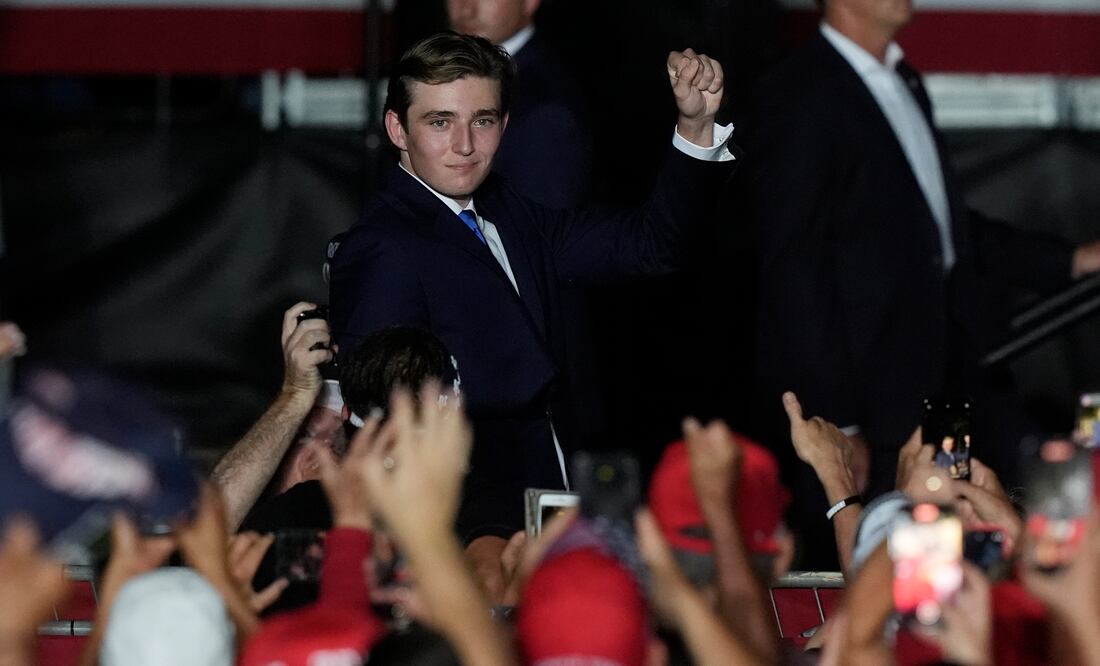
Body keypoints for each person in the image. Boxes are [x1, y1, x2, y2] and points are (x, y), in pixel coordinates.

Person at [327, 32, 734, 585]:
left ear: (506, 126)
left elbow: (650, 246)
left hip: (555, 494)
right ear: (398, 129)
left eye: (484, 121)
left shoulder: (512, 213)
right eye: (440, 122)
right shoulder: (383, 244)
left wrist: (693, 128)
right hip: (470, 532)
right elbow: (386, 426)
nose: (466, 144)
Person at [746, 0, 1100, 528]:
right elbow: (794, 271)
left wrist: (1070, 260)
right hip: (875, 407)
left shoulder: (903, 80)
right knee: (887, 555)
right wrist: (839, 420)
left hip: (945, 385)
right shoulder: (800, 94)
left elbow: (942, 227)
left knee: (958, 533)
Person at [446, 0, 591, 209]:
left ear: (529, 3)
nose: (467, 9)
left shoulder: (545, 105)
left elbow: (540, 230)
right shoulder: (439, 74)